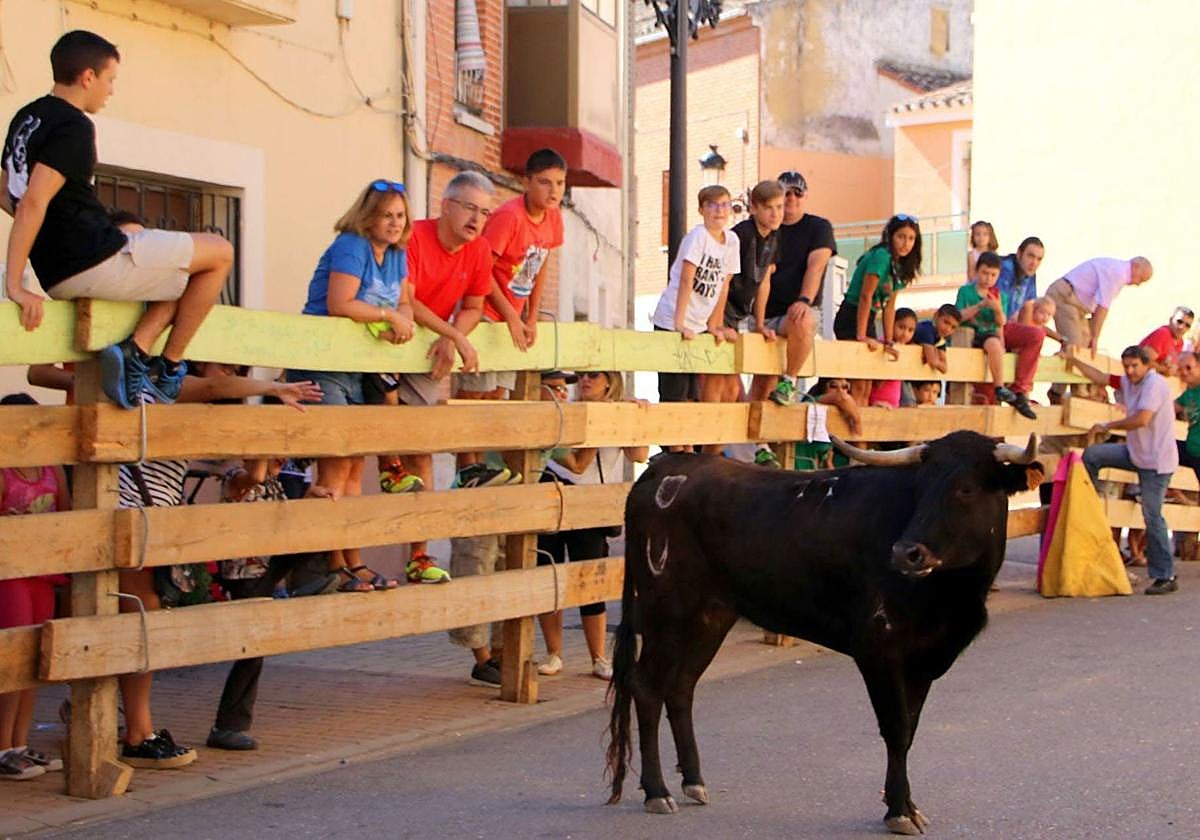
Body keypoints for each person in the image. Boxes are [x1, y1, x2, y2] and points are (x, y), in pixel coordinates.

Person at [2, 31, 233, 409]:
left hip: (58, 271)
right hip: (95, 257)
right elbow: (32, 202)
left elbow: (7, 194)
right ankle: (164, 368)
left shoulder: (26, 118)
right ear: (88, 77)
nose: (111, 91)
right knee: (220, 252)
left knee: (181, 283)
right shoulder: (74, 125)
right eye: (110, 79)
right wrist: (14, 285)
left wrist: (45, 239)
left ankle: (137, 351)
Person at [286, 179, 430, 590]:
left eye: (400, 216)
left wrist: (396, 322)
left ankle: (354, 561)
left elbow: (404, 303)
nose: (394, 222)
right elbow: (340, 304)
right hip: (321, 363)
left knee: (354, 468)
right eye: (386, 214)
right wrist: (387, 317)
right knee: (334, 466)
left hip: (357, 366)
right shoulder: (351, 246)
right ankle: (332, 566)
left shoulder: (397, 256)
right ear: (368, 216)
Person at [447, 369, 577, 688]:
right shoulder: (511, 412)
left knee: (512, 573)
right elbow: (508, 449)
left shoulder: (553, 421)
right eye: (556, 389)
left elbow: (578, 462)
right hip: (481, 502)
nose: (563, 395)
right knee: (475, 570)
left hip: (517, 509)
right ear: (535, 390)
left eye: (564, 390)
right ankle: (482, 658)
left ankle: (504, 653)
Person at [447, 149, 568, 484]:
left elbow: (541, 264)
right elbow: (481, 269)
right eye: (544, 182)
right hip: (484, 311)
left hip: (512, 314)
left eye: (559, 183)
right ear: (526, 182)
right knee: (473, 395)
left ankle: (483, 467)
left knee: (496, 395)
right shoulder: (509, 218)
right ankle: (467, 469)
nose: (553, 191)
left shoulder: (554, 217)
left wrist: (530, 315)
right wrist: (510, 317)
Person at [536, 371, 648, 680]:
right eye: (582, 376)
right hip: (556, 495)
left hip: (592, 506)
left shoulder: (615, 413)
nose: (585, 381)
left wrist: (633, 417)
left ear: (609, 382)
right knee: (551, 576)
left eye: (593, 376)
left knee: (590, 583)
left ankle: (599, 657)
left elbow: (639, 455)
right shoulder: (566, 409)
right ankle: (553, 653)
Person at [0, 394, 69, 781]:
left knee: (35, 658)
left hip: (43, 572)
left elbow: (67, 509)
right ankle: (2, 746)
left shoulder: (50, 467)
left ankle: (20, 743)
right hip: (9, 574)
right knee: (11, 657)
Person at [1074, 346, 1179, 595]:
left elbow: (1142, 419)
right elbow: (1101, 377)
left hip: (1156, 461)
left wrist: (1106, 425)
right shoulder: (1129, 380)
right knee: (1092, 455)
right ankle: (1088, 500)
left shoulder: (1154, 385)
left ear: (1147, 365)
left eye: (1135, 366)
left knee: (1152, 516)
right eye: (1127, 366)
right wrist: (1074, 361)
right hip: (1136, 453)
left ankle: (1165, 575)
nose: (1130, 371)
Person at [752, 170, 836, 406]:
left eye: (797, 193)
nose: (791, 198)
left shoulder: (818, 227)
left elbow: (816, 267)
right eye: (786, 193)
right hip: (762, 314)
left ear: (805, 196)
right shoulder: (764, 229)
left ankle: (789, 381)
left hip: (795, 311)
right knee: (761, 383)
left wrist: (804, 300)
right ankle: (753, 442)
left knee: (804, 319)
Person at [651, 184, 740, 404]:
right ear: (701, 210)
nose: (719, 210)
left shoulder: (732, 241)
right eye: (712, 205)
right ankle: (672, 439)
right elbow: (686, 278)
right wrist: (679, 323)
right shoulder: (698, 236)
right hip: (672, 319)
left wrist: (714, 325)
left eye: (724, 205)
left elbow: (723, 285)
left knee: (694, 393)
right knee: (675, 393)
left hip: (699, 325)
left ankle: (689, 440)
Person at [833, 214, 922, 406]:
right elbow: (866, 296)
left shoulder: (900, 267)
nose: (905, 243)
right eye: (901, 237)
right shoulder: (882, 256)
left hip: (870, 317)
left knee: (867, 383)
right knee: (857, 382)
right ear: (890, 236)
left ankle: (861, 432)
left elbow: (890, 306)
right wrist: (861, 335)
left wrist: (890, 340)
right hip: (853, 314)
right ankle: (852, 431)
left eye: (911, 238)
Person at [1045, 256, 1154, 399]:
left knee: (1083, 347)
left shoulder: (1118, 272)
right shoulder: (1118, 273)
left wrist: (1092, 335)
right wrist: (1095, 337)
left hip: (1078, 306)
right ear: (1136, 266)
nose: (1138, 284)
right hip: (1065, 297)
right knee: (1075, 345)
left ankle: (1070, 391)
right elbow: (1102, 308)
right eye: (1141, 279)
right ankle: (1062, 393)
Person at [954, 251, 1040, 419]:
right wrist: (980, 305)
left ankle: (1012, 387)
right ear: (977, 272)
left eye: (993, 275)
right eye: (984, 273)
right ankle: (999, 387)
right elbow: (959, 316)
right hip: (972, 334)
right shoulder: (966, 291)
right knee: (994, 345)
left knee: (999, 344)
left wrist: (997, 307)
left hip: (991, 333)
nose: (988, 278)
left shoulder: (1000, 295)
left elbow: (1002, 321)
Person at [868, 308, 918, 409]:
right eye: (901, 327)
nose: (905, 334)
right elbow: (878, 382)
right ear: (891, 324)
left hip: (894, 405)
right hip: (877, 402)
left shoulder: (906, 350)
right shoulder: (883, 345)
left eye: (910, 330)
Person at [996, 236, 1044, 320]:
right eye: (1030, 256)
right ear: (1019, 253)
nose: (1034, 263)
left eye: (1039, 259)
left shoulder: (1030, 275)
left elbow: (1030, 309)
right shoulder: (1005, 269)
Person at [1140, 307, 1194, 375]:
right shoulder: (1163, 334)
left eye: (1187, 325)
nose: (1182, 327)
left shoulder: (1180, 342)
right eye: (1179, 321)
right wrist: (1163, 369)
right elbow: (1142, 360)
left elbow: (1170, 365)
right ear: (1171, 320)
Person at [913, 303, 961, 374]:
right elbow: (932, 361)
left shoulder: (941, 339)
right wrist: (937, 360)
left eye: (953, 327)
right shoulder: (927, 330)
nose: (948, 329)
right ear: (936, 316)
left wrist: (937, 362)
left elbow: (944, 369)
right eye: (946, 322)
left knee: (934, 385)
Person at [1175, 352, 1200, 485]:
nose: (1184, 372)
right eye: (1180, 369)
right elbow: (1166, 409)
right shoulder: (1188, 394)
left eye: (1189, 367)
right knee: (1161, 446)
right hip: (1193, 451)